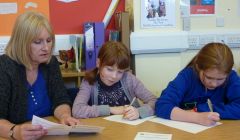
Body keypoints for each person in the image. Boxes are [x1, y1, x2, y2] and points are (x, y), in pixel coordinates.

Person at [0, 11, 80, 140]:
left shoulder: (51, 63)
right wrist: (15, 131)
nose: (46, 48)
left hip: (48, 135)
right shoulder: (4, 66)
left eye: (49, 41)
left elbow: (60, 99)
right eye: (38, 42)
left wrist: (65, 116)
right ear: (22, 43)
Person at [155, 42, 240, 126]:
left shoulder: (231, 77)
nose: (214, 84)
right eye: (209, 77)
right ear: (198, 67)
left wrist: (202, 109)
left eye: (220, 79)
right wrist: (197, 117)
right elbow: (162, 105)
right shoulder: (187, 76)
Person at [72, 41, 157, 120]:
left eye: (120, 72)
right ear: (98, 63)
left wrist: (139, 112)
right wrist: (111, 110)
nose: (114, 76)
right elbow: (77, 110)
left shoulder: (129, 79)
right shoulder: (89, 82)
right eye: (109, 69)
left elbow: (154, 101)